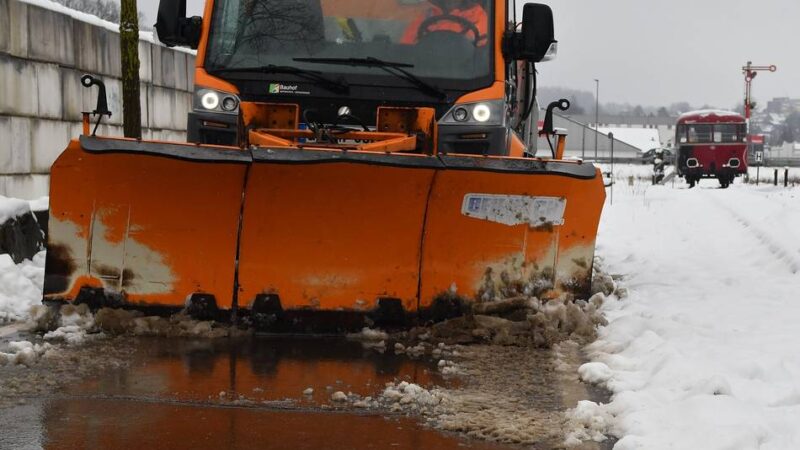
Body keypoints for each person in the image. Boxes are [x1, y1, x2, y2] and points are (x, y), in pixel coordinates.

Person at [400, 0, 488, 46]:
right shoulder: (428, 14)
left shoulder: (477, 15)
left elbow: (481, 54)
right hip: (425, 71)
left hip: (463, 74)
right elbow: (407, 47)